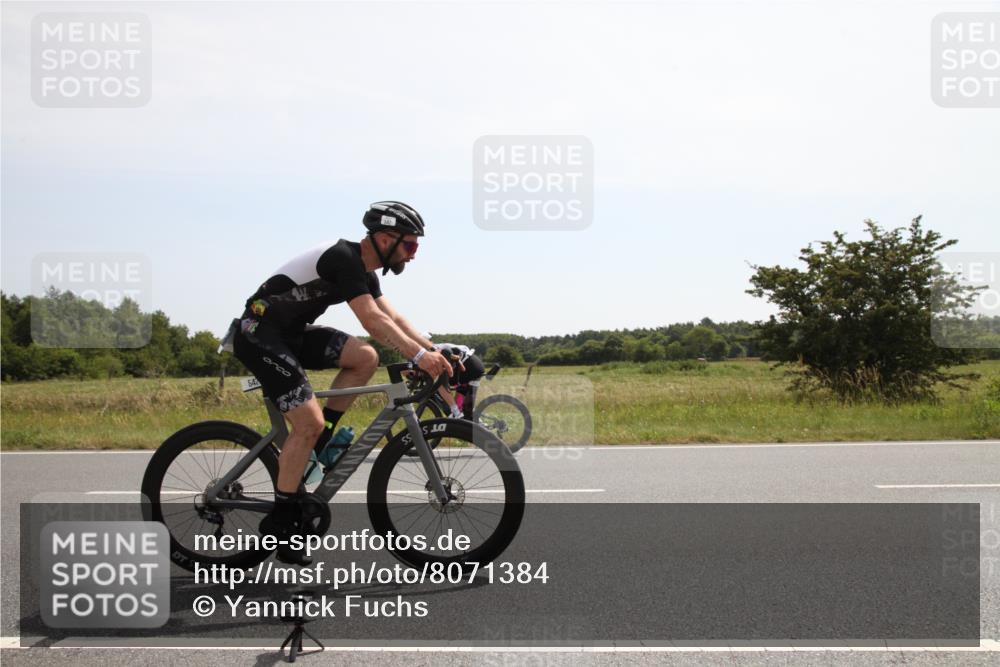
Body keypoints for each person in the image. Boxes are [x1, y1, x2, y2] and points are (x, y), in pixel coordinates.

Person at [231, 201, 452, 565]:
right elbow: (369, 319)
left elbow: (391, 316)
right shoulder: (343, 257)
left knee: (365, 358)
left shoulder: (366, 272)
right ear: (385, 238)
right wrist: (418, 358)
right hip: (259, 333)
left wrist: (433, 349)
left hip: (292, 335)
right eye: (410, 246)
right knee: (307, 422)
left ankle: (320, 444)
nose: (413, 256)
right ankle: (283, 524)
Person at [428, 342, 485, 419]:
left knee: (439, 384)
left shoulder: (429, 353)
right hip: (473, 364)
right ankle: (475, 422)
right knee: (465, 410)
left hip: (468, 367)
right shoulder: (433, 347)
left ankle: (456, 413)